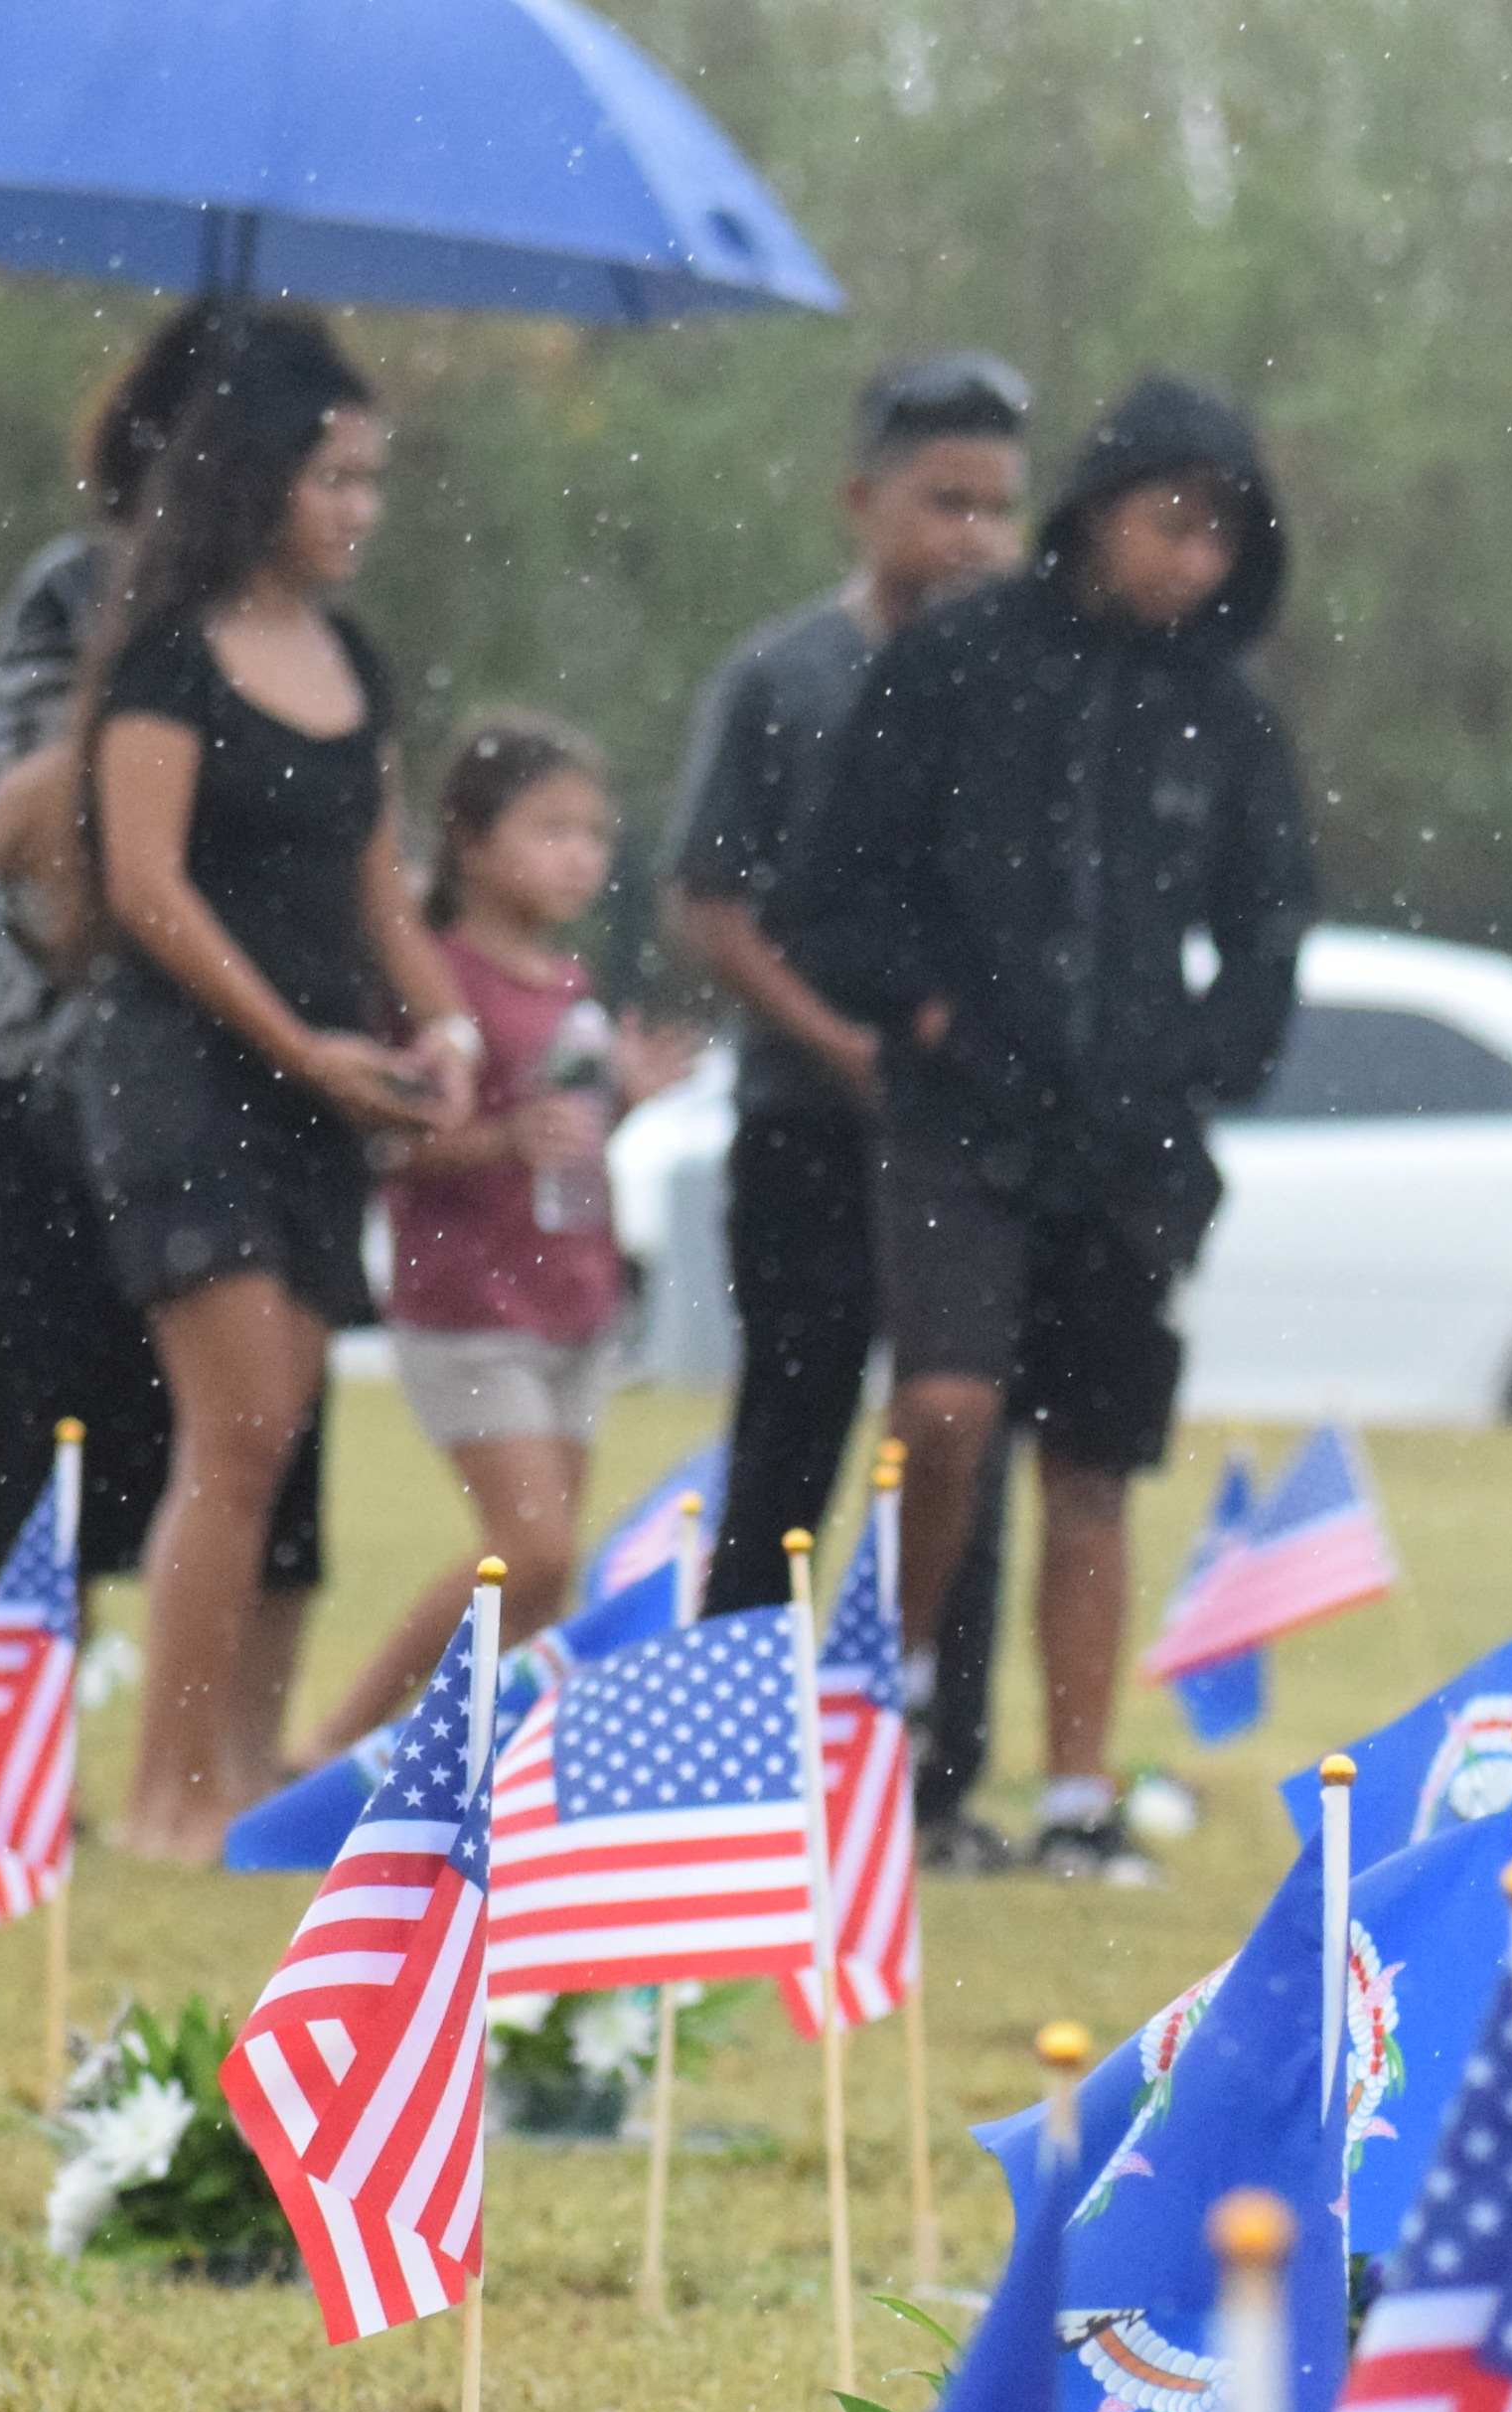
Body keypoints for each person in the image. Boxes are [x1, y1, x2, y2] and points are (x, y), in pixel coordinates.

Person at [770, 376, 1317, 1882]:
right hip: (961, 1120)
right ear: (1096, 511)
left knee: (1094, 1463)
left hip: (1130, 1142)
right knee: (942, 1412)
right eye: (1170, 523)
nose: (1193, 562)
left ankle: (1080, 1795)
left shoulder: (1226, 718)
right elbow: (833, 891)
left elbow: (1270, 917)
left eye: (1223, 537)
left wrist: (1204, 1054)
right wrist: (931, 1010)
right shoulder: (954, 667)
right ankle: (899, 1701)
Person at [63, 304, 477, 1859]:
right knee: (233, 1431)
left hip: (325, 1094)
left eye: (375, 480)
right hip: (184, 1077)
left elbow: (379, 892)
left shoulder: (349, 660)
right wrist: (301, 1047)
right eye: (336, 480)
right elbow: (149, 890)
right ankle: (168, 1799)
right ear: (253, 481)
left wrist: (451, 1031)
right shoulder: (168, 663)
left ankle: (228, 1775)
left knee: (273, 1435)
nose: (362, 511)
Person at [670, 349, 1031, 1846]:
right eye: (943, 502)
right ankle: (726, 1758)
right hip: (810, 1122)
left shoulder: (1024, 678)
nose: (973, 538)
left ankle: (926, 1765)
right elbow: (705, 905)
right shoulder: (785, 677)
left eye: (1001, 509)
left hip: (978, 1133)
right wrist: (841, 1042)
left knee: (966, 1433)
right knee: (795, 1427)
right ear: (862, 498)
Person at [0, 308, 332, 1635]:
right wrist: (141, 681)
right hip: (56, 1062)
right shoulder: (77, 590)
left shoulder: (297, 622)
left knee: (256, 1437)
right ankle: (17, 1747)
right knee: (41, 1431)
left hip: (248, 1063)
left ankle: (223, 1750)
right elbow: (11, 834)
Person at [303, 711, 687, 1753]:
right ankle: (342, 1740)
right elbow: (397, 1144)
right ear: (469, 843)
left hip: (571, 1299)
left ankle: (496, 1765)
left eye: (595, 834)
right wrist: (502, 1137)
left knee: (545, 1573)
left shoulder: (571, 985)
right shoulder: (437, 984)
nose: (582, 856)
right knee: (527, 1546)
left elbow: (567, 1136)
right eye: (551, 829)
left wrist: (628, 1105)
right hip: (470, 1304)